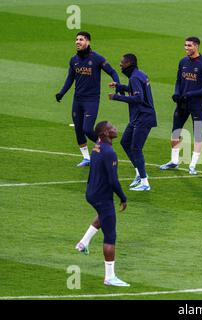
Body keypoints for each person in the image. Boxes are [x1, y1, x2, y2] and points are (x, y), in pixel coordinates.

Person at [75, 121, 129, 286]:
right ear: (105, 133)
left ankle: (83, 243)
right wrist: (123, 197)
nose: (115, 128)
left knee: (103, 215)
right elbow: (113, 181)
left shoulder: (97, 146)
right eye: (111, 127)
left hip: (91, 192)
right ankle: (109, 277)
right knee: (110, 236)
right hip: (101, 196)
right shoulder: (109, 152)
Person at [55, 31, 121, 167]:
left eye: (81, 39)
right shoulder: (74, 60)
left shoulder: (97, 58)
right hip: (77, 100)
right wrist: (62, 93)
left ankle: (104, 146)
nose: (77, 42)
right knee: (78, 129)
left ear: (88, 42)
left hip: (91, 100)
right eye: (76, 39)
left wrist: (117, 84)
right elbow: (70, 79)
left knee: (87, 129)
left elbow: (112, 71)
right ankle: (86, 158)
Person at [159, 36, 202, 175]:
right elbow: (178, 80)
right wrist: (176, 93)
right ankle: (174, 161)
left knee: (197, 135)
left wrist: (189, 94)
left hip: (197, 105)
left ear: (196, 46)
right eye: (185, 45)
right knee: (175, 132)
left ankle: (193, 165)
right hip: (182, 103)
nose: (186, 48)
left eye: (189, 45)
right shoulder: (183, 62)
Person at [108, 53, 157, 191]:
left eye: (122, 63)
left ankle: (145, 182)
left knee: (136, 148)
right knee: (125, 142)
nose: (120, 65)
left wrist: (116, 97)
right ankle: (139, 174)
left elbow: (138, 98)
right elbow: (135, 90)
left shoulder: (135, 77)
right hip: (137, 117)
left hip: (143, 117)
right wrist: (120, 86)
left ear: (129, 64)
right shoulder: (139, 74)